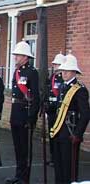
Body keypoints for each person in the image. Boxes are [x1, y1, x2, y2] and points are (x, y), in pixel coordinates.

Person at [50, 53, 90, 184]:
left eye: (67, 70)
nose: (64, 73)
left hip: (70, 133)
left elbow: (85, 114)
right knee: (58, 166)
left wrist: (78, 134)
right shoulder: (63, 86)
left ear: (74, 72)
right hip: (58, 132)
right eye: (63, 70)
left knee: (69, 168)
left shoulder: (80, 89)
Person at [5, 41, 40, 184]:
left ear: (25, 57)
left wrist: (31, 118)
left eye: (18, 55)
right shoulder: (17, 72)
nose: (15, 57)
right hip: (16, 114)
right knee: (18, 147)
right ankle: (18, 175)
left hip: (25, 114)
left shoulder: (32, 72)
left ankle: (24, 178)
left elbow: (35, 98)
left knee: (25, 148)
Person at [45, 52, 65, 166]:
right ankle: (53, 157)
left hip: (59, 111)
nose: (56, 67)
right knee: (51, 134)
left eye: (58, 64)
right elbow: (48, 91)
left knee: (58, 135)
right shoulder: (52, 77)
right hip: (51, 110)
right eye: (55, 64)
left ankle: (58, 158)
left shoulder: (64, 78)